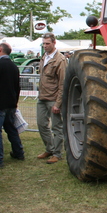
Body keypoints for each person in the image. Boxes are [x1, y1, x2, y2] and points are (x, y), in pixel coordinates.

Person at [36, 32, 67, 164]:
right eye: (43, 44)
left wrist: (58, 103)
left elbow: (63, 83)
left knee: (56, 127)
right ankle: (49, 148)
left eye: (47, 43)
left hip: (54, 99)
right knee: (41, 124)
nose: (45, 46)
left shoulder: (60, 60)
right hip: (42, 97)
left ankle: (57, 153)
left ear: (54, 43)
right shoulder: (44, 57)